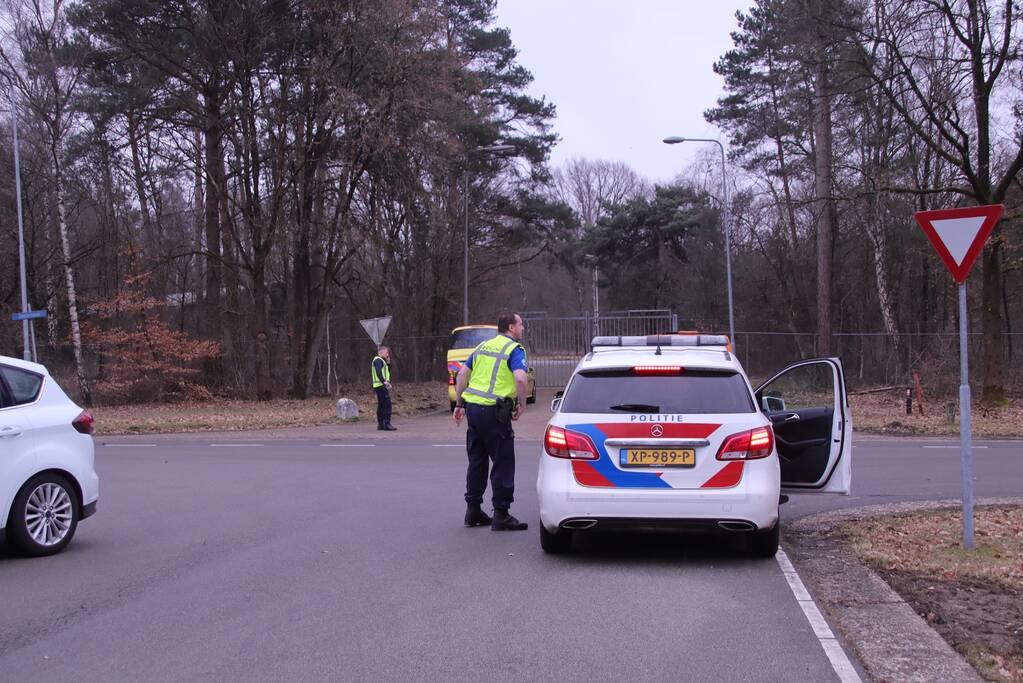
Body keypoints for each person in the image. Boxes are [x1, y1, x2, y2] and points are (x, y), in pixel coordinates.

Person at [452, 312, 529, 531]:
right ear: (511, 328)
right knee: (503, 461)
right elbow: (521, 378)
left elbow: (461, 377)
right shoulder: (514, 350)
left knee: (477, 461)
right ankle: (501, 515)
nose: (522, 328)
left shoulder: (482, 346)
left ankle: (473, 510)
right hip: (495, 413)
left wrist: (459, 405)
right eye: (521, 325)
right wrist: (522, 404)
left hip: (473, 411)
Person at [371, 346, 396, 431]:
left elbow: (386, 372)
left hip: (379, 386)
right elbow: (378, 372)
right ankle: (387, 424)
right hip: (381, 385)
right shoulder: (378, 360)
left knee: (381, 405)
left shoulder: (381, 361)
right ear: (381, 352)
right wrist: (384, 381)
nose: (388, 354)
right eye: (386, 353)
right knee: (387, 405)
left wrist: (388, 363)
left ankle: (381, 424)